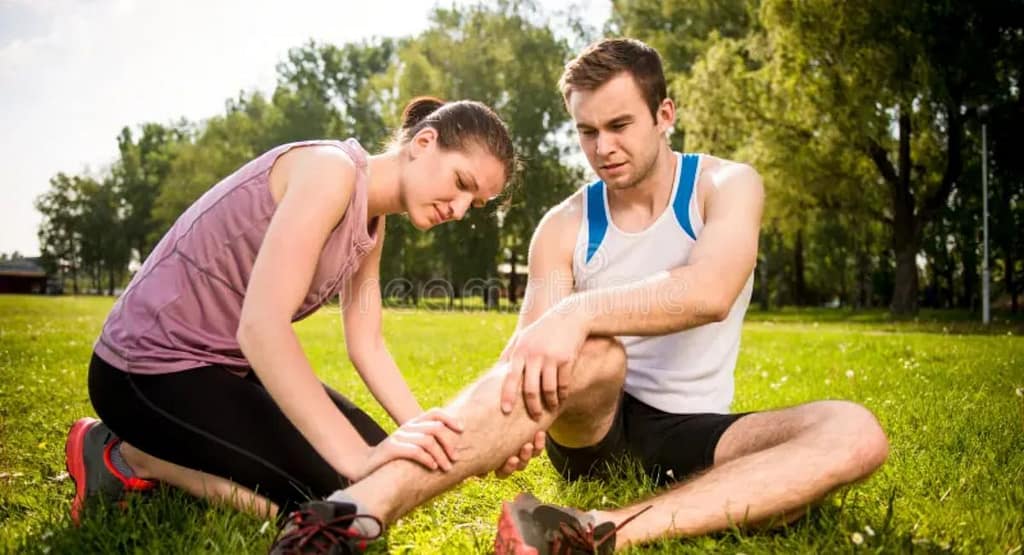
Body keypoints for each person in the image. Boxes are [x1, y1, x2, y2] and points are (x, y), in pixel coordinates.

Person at [265, 38, 889, 554]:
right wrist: (515, 411)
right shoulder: (564, 225)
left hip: (699, 431)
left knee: (855, 431)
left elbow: (711, 291)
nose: (603, 148)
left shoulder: (727, 186)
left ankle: (595, 529)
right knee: (600, 355)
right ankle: (353, 512)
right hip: (596, 424)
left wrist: (578, 310)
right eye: (587, 131)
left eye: (620, 125)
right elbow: (527, 356)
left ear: (664, 114)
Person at [63, 96, 545, 528]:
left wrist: (436, 437)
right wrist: (357, 458)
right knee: (339, 499)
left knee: (389, 472)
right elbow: (262, 328)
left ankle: (162, 452)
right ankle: (129, 457)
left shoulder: (373, 227)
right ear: (423, 142)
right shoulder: (329, 172)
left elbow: (368, 345)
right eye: (461, 183)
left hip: (221, 370)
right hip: (143, 371)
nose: (460, 210)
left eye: (474, 203)